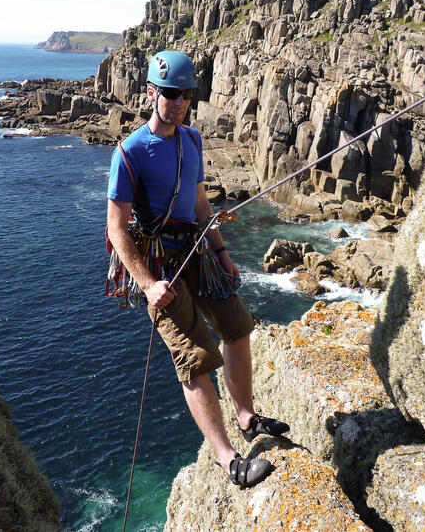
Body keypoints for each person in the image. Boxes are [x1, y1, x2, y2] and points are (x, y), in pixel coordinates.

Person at [106, 50, 289, 487]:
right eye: (169, 93)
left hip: (197, 251)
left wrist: (223, 254)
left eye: (185, 94)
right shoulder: (129, 153)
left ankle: (246, 417)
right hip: (158, 264)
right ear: (151, 92)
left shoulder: (191, 140)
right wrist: (148, 285)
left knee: (238, 326)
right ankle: (230, 461)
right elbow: (116, 228)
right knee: (196, 358)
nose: (178, 101)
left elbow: (202, 203)